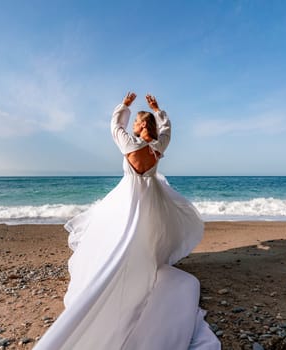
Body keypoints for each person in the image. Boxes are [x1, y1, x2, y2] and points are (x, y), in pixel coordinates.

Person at [34, 93, 221, 350]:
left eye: (136, 123)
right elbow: (167, 130)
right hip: (151, 201)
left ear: (142, 125)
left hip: (127, 201)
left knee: (119, 239)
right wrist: (158, 110)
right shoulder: (158, 148)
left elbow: (115, 126)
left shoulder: (129, 144)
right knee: (148, 238)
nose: (133, 126)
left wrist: (124, 107)